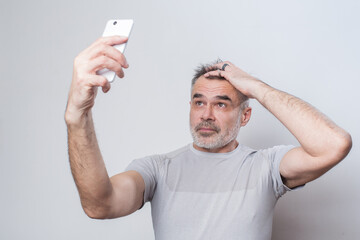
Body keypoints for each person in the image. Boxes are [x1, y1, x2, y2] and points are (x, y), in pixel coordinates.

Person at [65, 36, 352, 240]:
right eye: (199, 102)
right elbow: (99, 205)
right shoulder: (156, 169)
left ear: (245, 116)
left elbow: (334, 145)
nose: (206, 114)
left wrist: (255, 87)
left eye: (222, 104)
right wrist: (78, 116)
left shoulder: (266, 166)